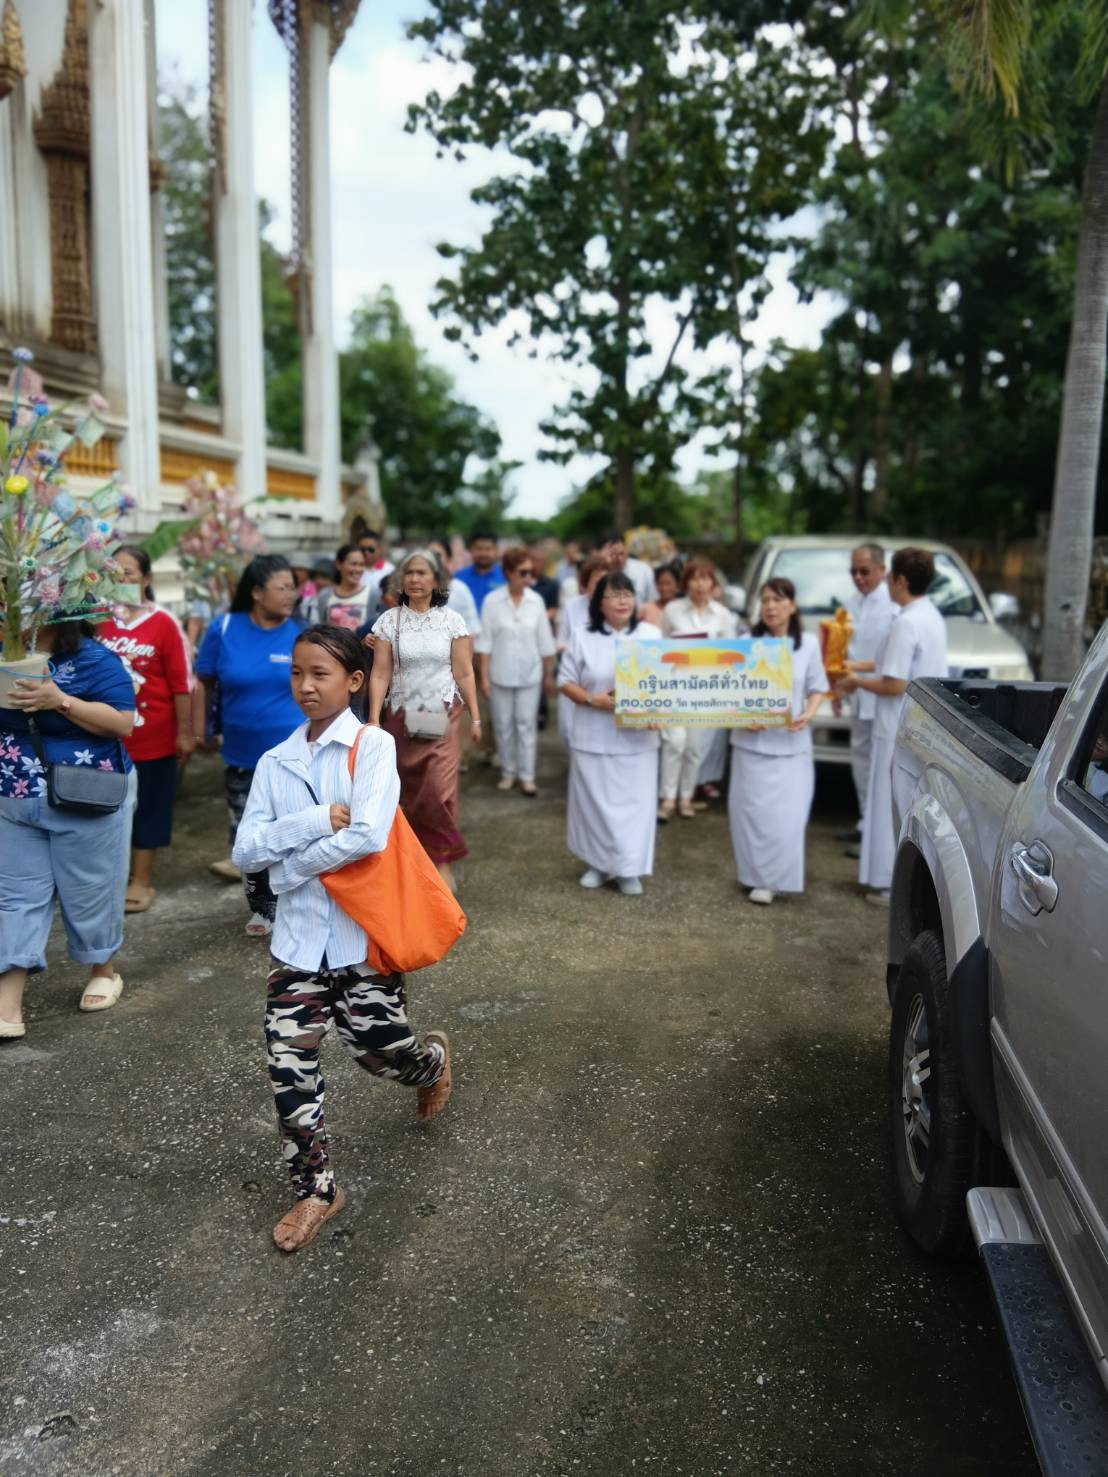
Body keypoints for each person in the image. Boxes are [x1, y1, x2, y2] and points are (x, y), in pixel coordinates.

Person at [231, 625, 452, 1253]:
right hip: (297, 946)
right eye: (297, 673)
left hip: (362, 940)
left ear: (354, 682)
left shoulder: (374, 746)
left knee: (382, 1054)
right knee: (288, 1069)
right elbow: (245, 847)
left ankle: (431, 1064)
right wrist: (308, 822)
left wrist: (288, 865)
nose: (305, 685)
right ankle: (317, 1190)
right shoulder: (276, 762)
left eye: (320, 674)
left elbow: (368, 835)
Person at [0, 619, 137, 1035]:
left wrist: (59, 700)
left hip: (85, 793)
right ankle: (8, 1003)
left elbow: (122, 723)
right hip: (14, 793)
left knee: (92, 887)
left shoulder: (94, 658)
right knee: (15, 895)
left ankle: (104, 969)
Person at [194, 554, 303, 934]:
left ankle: (295, 903)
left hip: (293, 756)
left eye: (294, 587)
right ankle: (262, 907)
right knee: (249, 834)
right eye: (283, 587)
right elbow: (203, 681)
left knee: (294, 831)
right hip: (241, 755)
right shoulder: (223, 628)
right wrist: (198, 729)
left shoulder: (300, 635)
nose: (292, 594)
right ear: (257, 593)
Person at [838, 547, 948, 904]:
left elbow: (894, 682)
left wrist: (855, 682)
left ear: (900, 580)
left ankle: (888, 882)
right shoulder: (928, 615)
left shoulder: (906, 622)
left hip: (896, 720)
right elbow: (888, 662)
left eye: (889, 577)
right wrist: (855, 666)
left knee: (890, 802)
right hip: (920, 723)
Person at [367, 549, 481, 892]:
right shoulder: (389, 621)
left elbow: (464, 671)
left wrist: (476, 717)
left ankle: (443, 859)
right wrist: (373, 719)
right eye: (410, 573)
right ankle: (417, 858)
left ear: (436, 579)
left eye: (422, 573)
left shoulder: (452, 621)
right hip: (402, 715)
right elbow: (380, 674)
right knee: (411, 790)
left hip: (443, 713)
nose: (415, 579)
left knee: (438, 789)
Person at [97, 545, 195, 913]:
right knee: (100, 808)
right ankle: (108, 878)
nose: (123, 579)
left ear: (147, 579)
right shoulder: (94, 619)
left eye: (130, 572)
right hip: (101, 737)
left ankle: (140, 881)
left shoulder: (164, 623)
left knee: (149, 808)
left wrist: (184, 732)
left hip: (153, 736)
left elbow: (181, 684)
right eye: (115, 573)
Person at [559, 572, 662, 896]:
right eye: (614, 595)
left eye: (628, 595)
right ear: (599, 603)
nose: (623, 601)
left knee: (636, 804)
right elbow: (566, 681)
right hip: (594, 733)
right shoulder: (582, 635)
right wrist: (593, 699)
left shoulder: (651, 634)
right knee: (595, 804)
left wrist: (662, 712)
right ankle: (599, 864)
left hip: (639, 739)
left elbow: (668, 683)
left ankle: (628, 868)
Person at [728, 578, 828, 906]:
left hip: (791, 744)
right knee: (751, 814)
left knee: (787, 817)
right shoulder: (745, 643)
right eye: (766, 600)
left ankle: (776, 879)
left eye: (779, 600)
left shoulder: (808, 644)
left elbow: (817, 687)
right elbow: (728, 691)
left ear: (792, 606)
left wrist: (808, 714)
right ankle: (754, 877)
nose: (771, 606)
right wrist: (743, 717)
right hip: (751, 744)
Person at [657, 557, 739, 821]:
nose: (700, 584)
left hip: (705, 690)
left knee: (694, 747)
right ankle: (667, 798)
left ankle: (686, 796)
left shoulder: (723, 615)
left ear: (713, 583)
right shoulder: (672, 610)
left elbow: (732, 654)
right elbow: (660, 648)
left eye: (706, 578)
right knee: (674, 742)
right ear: (686, 582)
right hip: (674, 686)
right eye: (694, 578)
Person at [475, 546, 557, 796]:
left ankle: (527, 775)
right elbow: (485, 643)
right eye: (523, 572)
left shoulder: (536, 601)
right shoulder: (492, 601)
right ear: (509, 572)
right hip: (500, 674)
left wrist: (549, 675)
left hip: (530, 674)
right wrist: (484, 678)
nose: (528, 578)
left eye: (530, 573)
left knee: (526, 724)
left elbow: (545, 642)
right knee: (503, 725)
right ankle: (509, 772)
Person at [838, 543, 895, 858]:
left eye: (864, 571)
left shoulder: (893, 606)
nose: (858, 577)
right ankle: (864, 823)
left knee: (880, 766)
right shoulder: (850, 603)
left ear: (882, 570)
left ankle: (878, 834)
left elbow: (888, 659)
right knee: (860, 759)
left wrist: (853, 669)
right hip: (858, 694)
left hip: (882, 693)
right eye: (854, 572)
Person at [556, 553, 609, 748]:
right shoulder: (573, 607)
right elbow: (561, 640)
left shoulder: (617, 609)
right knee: (568, 731)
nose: (602, 587)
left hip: (605, 679)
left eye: (606, 581)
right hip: (575, 678)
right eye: (597, 582)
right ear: (585, 584)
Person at [307, 544, 374, 630]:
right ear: (338, 564)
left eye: (361, 565)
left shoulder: (372, 594)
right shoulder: (324, 596)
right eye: (353, 564)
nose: (358, 569)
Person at [454, 529, 506, 615]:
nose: (483, 553)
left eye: (488, 549)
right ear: (471, 550)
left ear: (496, 550)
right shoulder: (459, 578)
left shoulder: (506, 577)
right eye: (479, 549)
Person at [600, 532, 655, 607]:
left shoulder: (644, 570)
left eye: (622, 553)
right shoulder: (599, 573)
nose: (619, 559)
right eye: (614, 554)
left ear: (626, 549)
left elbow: (652, 600)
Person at [357, 530, 395, 606]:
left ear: (379, 549)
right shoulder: (354, 570)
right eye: (363, 549)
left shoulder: (390, 570)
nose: (366, 553)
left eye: (371, 549)